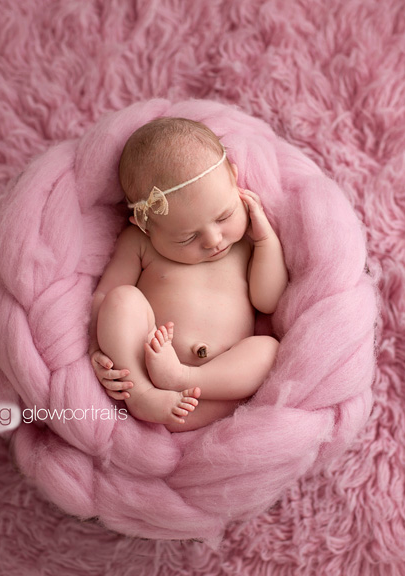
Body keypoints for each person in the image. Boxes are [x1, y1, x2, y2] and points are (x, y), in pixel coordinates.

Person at [87, 117, 288, 432]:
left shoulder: (247, 241)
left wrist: (266, 241)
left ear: (233, 179)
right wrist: (97, 348)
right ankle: (140, 394)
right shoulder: (139, 242)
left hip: (220, 386)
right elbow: (104, 296)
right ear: (145, 225)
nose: (213, 240)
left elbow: (269, 300)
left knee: (268, 349)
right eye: (186, 238)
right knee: (120, 299)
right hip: (152, 378)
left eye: (224, 216)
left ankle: (184, 376)